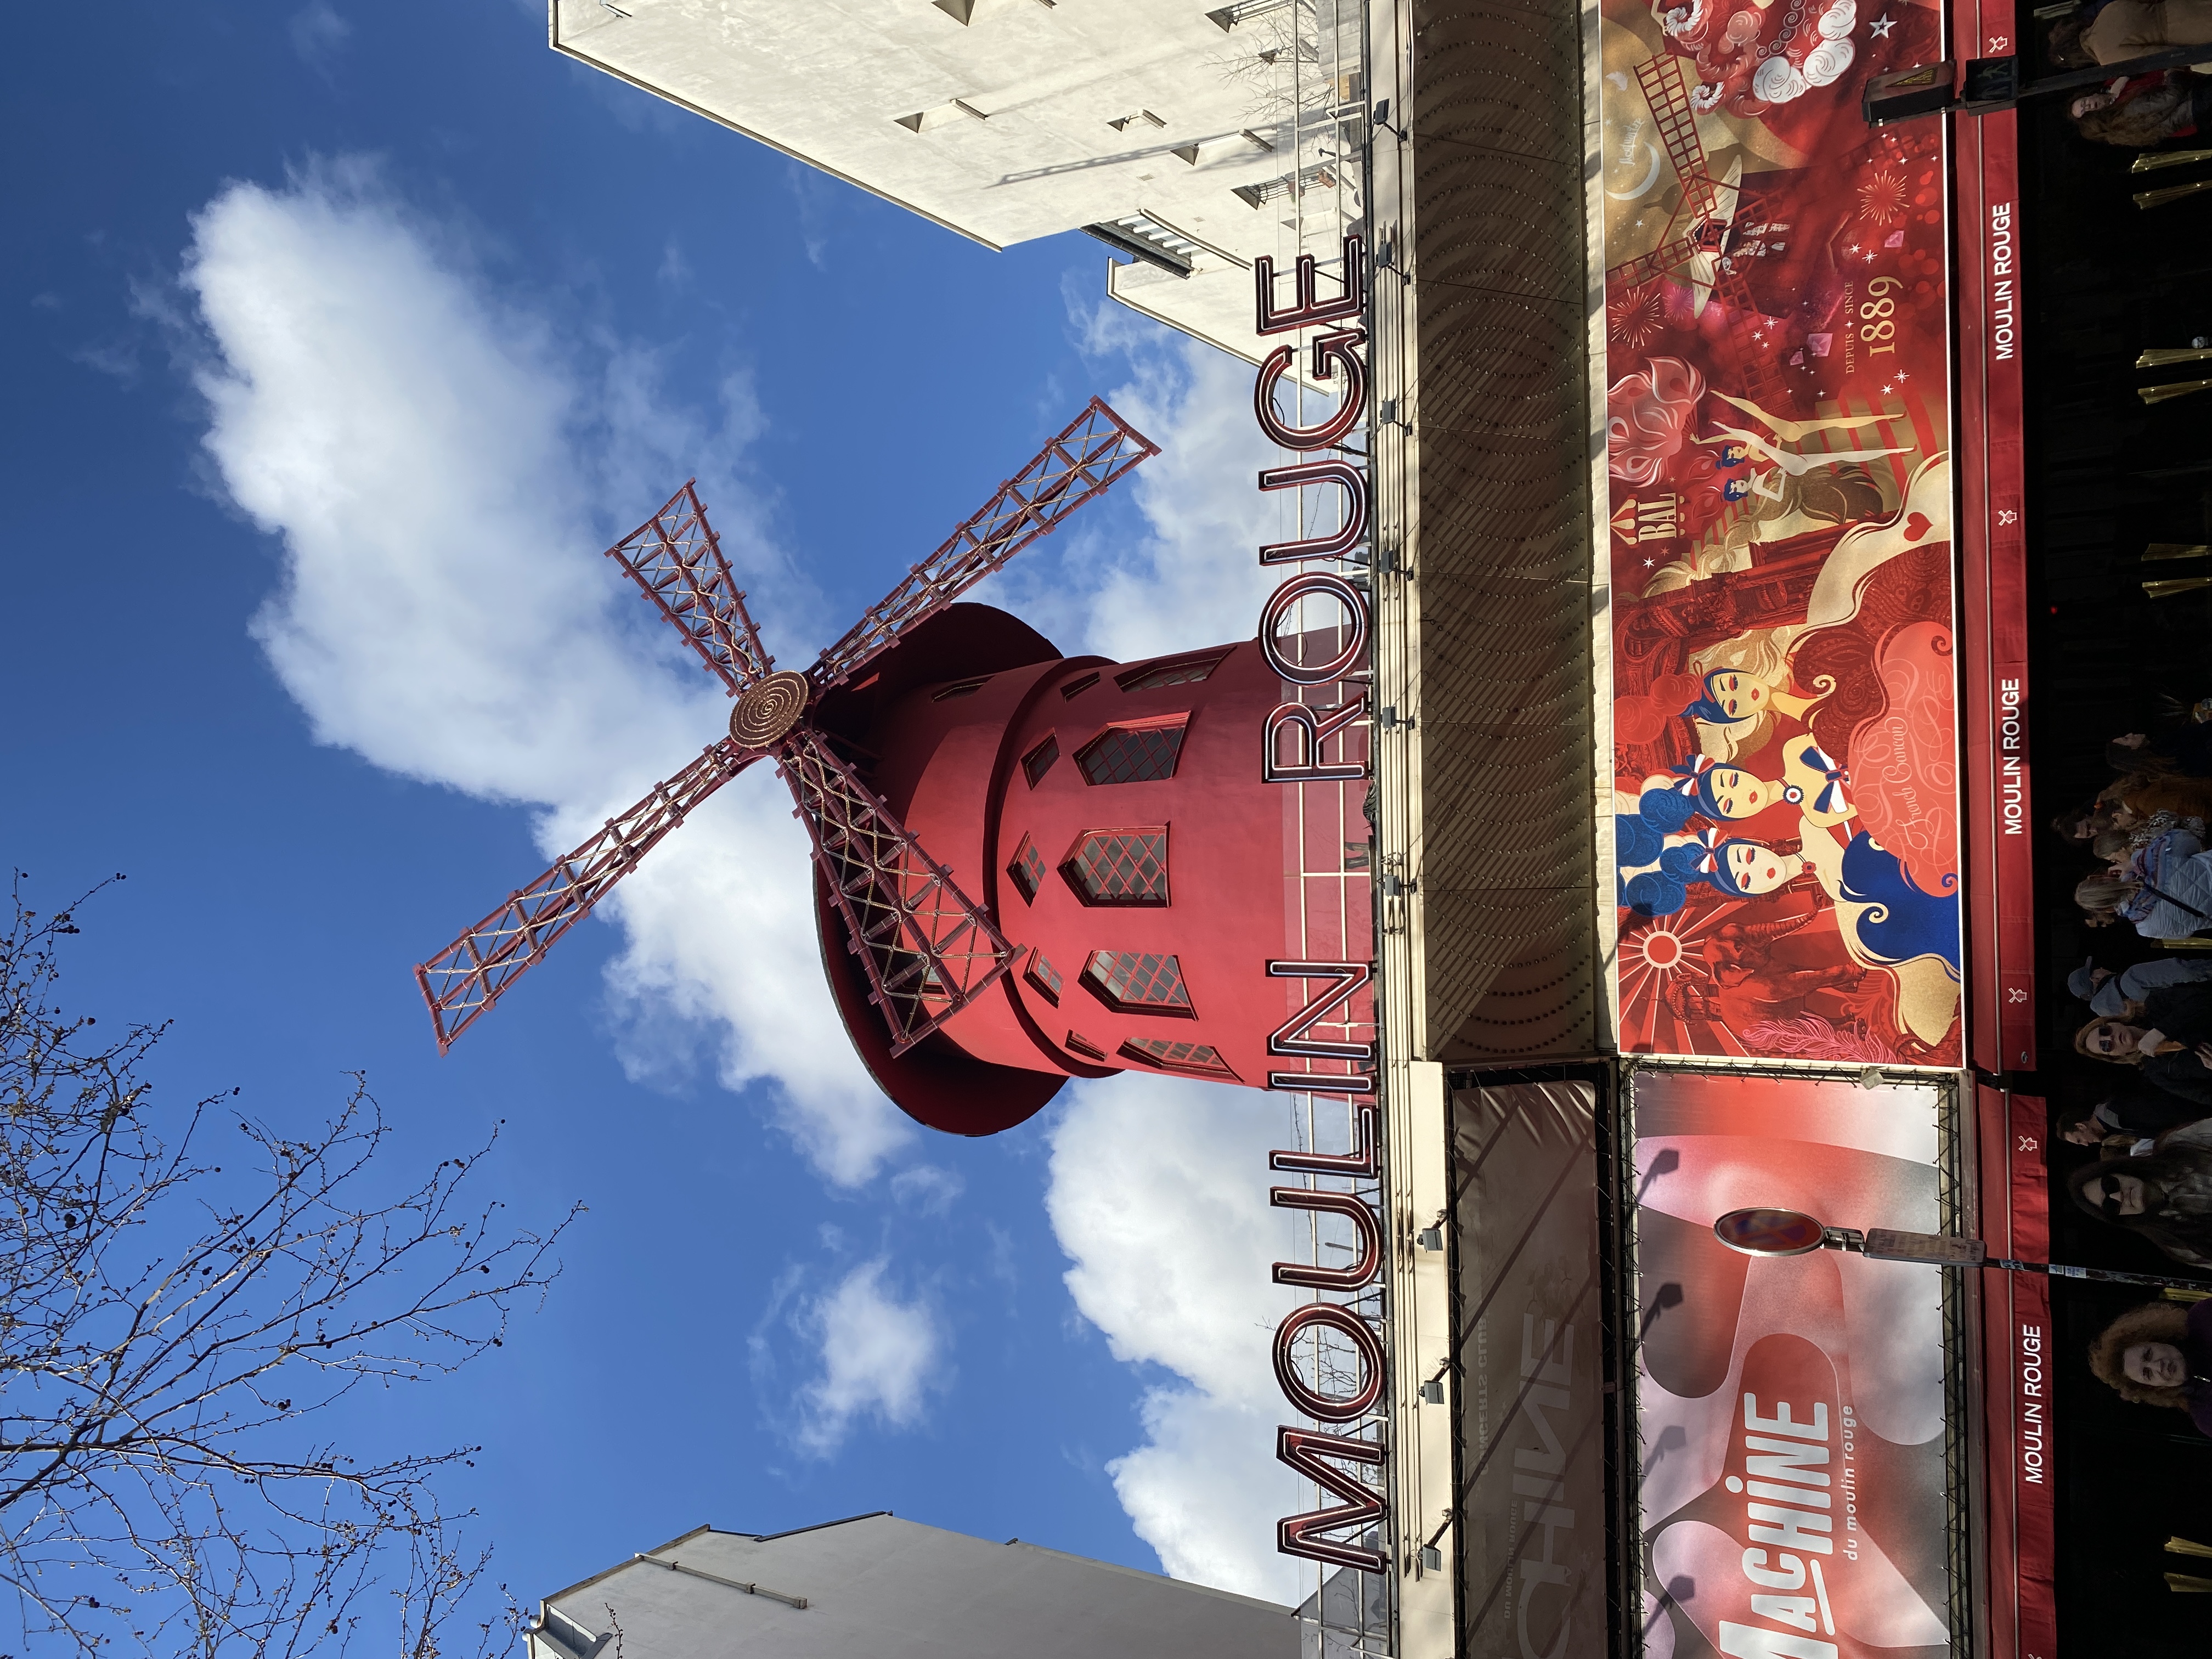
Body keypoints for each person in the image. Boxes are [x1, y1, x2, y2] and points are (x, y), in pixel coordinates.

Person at [2070, 1119, 2212, 1266]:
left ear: (2118, 1171)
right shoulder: (2175, 1242)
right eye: (2110, 1205)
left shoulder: (2178, 1145)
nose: (2118, 1196)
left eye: (2110, 1185)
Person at [2086, 1298, 2212, 1435]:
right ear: (2152, 1388)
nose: (2158, 1366)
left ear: (2158, 1339)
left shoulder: (2203, 1318)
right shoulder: (2205, 1417)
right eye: (2147, 1373)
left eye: (2148, 1354)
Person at [2058, 1079, 2208, 1145]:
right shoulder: (2113, 1125)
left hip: (2200, 1109)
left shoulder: (2116, 1111)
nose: (2086, 1144)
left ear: (2081, 1126)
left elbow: (2168, 1112)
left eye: (2079, 1140)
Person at [2069, 953, 2212, 1019]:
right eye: (2096, 969)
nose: (2101, 967)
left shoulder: (2120, 1021)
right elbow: (2185, 971)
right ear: (2094, 979)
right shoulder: (2131, 979)